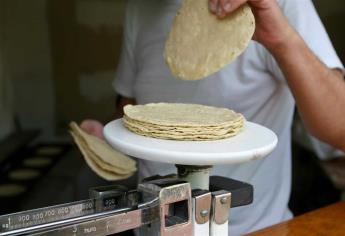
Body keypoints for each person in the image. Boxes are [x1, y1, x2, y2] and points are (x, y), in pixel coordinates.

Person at [81, 0, 345, 234]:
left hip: (256, 229)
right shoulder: (142, 8)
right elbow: (135, 111)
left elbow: (340, 128)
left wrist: (280, 37)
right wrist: (103, 136)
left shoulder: (282, 4)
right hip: (155, 227)